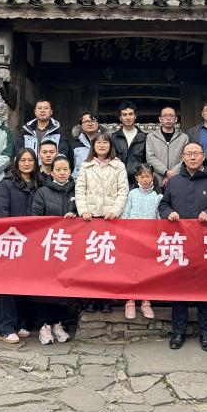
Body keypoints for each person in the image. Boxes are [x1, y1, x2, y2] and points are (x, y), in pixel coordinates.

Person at [158, 142, 207, 352]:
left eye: (196, 153)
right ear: (182, 157)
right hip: (180, 245)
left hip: (205, 245)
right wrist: (169, 214)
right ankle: (178, 332)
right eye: (188, 154)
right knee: (179, 291)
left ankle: (205, 334)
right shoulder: (174, 182)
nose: (192, 157)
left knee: (205, 291)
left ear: (203, 156)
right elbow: (163, 204)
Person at [75, 131, 129, 313]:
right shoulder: (86, 165)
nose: (102, 145)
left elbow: (123, 191)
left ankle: (106, 300)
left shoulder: (118, 166)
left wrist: (115, 211)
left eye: (105, 142)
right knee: (90, 260)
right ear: (93, 146)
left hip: (110, 219)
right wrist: (83, 210)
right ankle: (90, 299)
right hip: (90, 219)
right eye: (98, 142)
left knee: (108, 261)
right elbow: (80, 190)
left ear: (111, 145)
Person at [0, 148, 40, 343]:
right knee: (6, 283)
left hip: (32, 240)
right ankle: (5, 327)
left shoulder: (39, 183)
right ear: (16, 162)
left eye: (30, 160)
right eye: (23, 160)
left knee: (23, 282)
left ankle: (19, 323)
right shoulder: (7, 183)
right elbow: (1, 211)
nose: (27, 163)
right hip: (11, 238)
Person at [30, 154, 77, 344]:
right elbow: (35, 218)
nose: (62, 173)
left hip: (69, 246)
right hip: (48, 245)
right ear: (52, 172)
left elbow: (85, 212)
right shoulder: (42, 192)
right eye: (58, 169)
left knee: (63, 287)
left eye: (65, 169)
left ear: (70, 171)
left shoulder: (77, 189)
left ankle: (58, 323)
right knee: (46, 287)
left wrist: (75, 215)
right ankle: (45, 326)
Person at [121, 164, 161, 320]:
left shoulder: (158, 196)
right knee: (131, 269)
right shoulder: (132, 194)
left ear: (153, 177)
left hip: (149, 240)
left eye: (148, 176)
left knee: (147, 271)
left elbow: (159, 219)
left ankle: (146, 301)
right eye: (142, 177)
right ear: (137, 178)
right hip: (132, 238)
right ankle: (130, 301)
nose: (145, 180)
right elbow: (125, 214)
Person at [146, 105, 189, 187]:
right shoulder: (151, 136)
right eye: (165, 116)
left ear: (176, 119)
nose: (168, 118)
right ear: (160, 119)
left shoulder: (184, 137)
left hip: (177, 179)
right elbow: (150, 158)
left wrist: (171, 174)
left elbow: (185, 158)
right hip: (157, 180)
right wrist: (165, 171)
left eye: (171, 115)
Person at [113, 100, 147, 186]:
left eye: (131, 114)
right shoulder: (113, 137)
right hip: (117, 180)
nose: (128, 118)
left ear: (135, 116)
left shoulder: (145, 138)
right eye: (124, 115)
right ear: (120, 118)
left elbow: (147, 161)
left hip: (139, 182)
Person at [71, 111, 106, 178]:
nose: (90, 124)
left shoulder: (107, 142)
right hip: (79, 180)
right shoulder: (74, 145)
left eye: (93, 121)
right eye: (87, 121)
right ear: (81, 125)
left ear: (98, 124)